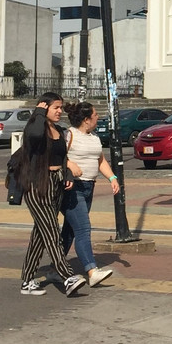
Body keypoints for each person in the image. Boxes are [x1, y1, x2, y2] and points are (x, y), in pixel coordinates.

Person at [15, 92, 87, 297]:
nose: (59, 111)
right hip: (37, 186)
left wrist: (68, 175)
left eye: (60, 108)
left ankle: (27, 280)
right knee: (52, 232)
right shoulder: (34, 127)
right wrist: (39, 111)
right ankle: (67, 276)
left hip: (55, 185)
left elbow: (62, 156)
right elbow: (36, 136)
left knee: (40, 235)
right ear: (44, 107)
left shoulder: (58, 130)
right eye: (55, 107)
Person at [59, 101, 119, 287]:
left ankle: (56, 267)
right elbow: (56, 156)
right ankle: (92, 271)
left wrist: (112, 178)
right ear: (86, 119)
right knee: (83, 229)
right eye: (94, 115)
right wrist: (70, 164)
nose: (97, 117)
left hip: (88, 188)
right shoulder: (69, 135)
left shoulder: (93, 137)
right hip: (72, 188)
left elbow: (100, 160)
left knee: (70, 230)